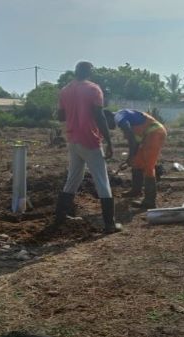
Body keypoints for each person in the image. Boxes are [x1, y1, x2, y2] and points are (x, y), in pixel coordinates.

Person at [55, 61, 122, 233]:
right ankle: (109, 224)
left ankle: (60, 217)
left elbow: (61, 116)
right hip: (90, 140)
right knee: (102, 180)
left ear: (75, 71)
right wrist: (109, 141)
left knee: (73, 178)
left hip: (72, 140)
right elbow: (99, 116)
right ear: (89, 72)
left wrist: (72, 110)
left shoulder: (65, 90)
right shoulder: (94, 89)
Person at [104, 109, 167, 210]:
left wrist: (129, 156)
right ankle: (136, 191)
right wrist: (131, 158)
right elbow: (135, 141)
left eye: (105, 122)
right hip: (148, 135)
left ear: (108, 117)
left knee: (148, 167)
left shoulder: (119, 116)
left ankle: (149, 201)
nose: (106, 126)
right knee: (136, 162)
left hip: (155, 133)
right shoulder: (124, 117)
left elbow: (131, 138)